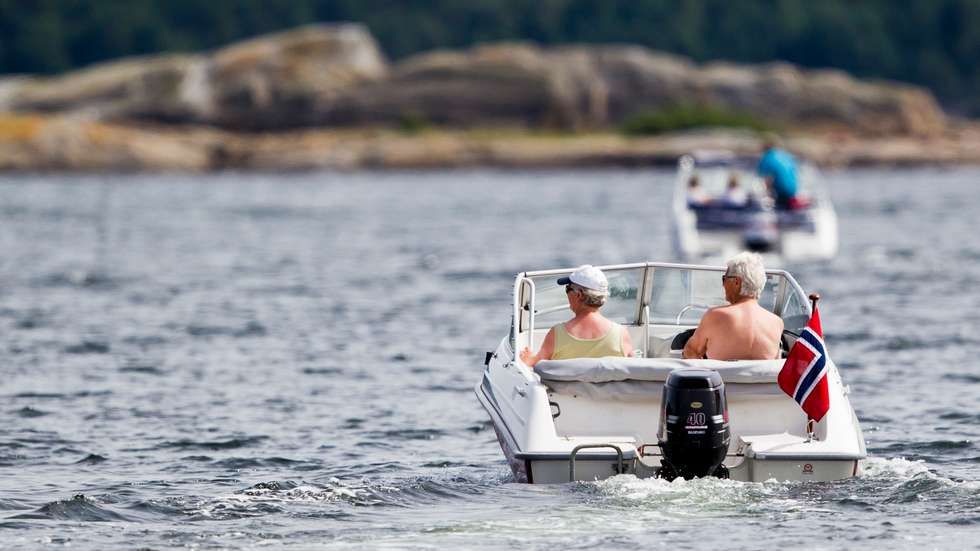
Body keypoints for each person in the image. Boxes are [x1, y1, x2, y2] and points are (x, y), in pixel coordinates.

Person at [520, 265, 633, 367]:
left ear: (579, 295)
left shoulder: (557, 334)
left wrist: (528, 358)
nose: (567, 294)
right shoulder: (621, 334)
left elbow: (536, 365)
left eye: (568, 289)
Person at [682, 252, 783, 361]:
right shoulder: (777, 323)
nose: (723, 284)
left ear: (736, 282)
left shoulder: (716, 316)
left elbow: (691, 352)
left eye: (724, 279)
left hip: (720, 373)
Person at [757, 138, 798, 209]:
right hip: (793, 190)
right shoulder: (785, 155)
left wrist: (766, 195)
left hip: (782, 192)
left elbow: (767, 179)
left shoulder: (767, 157)